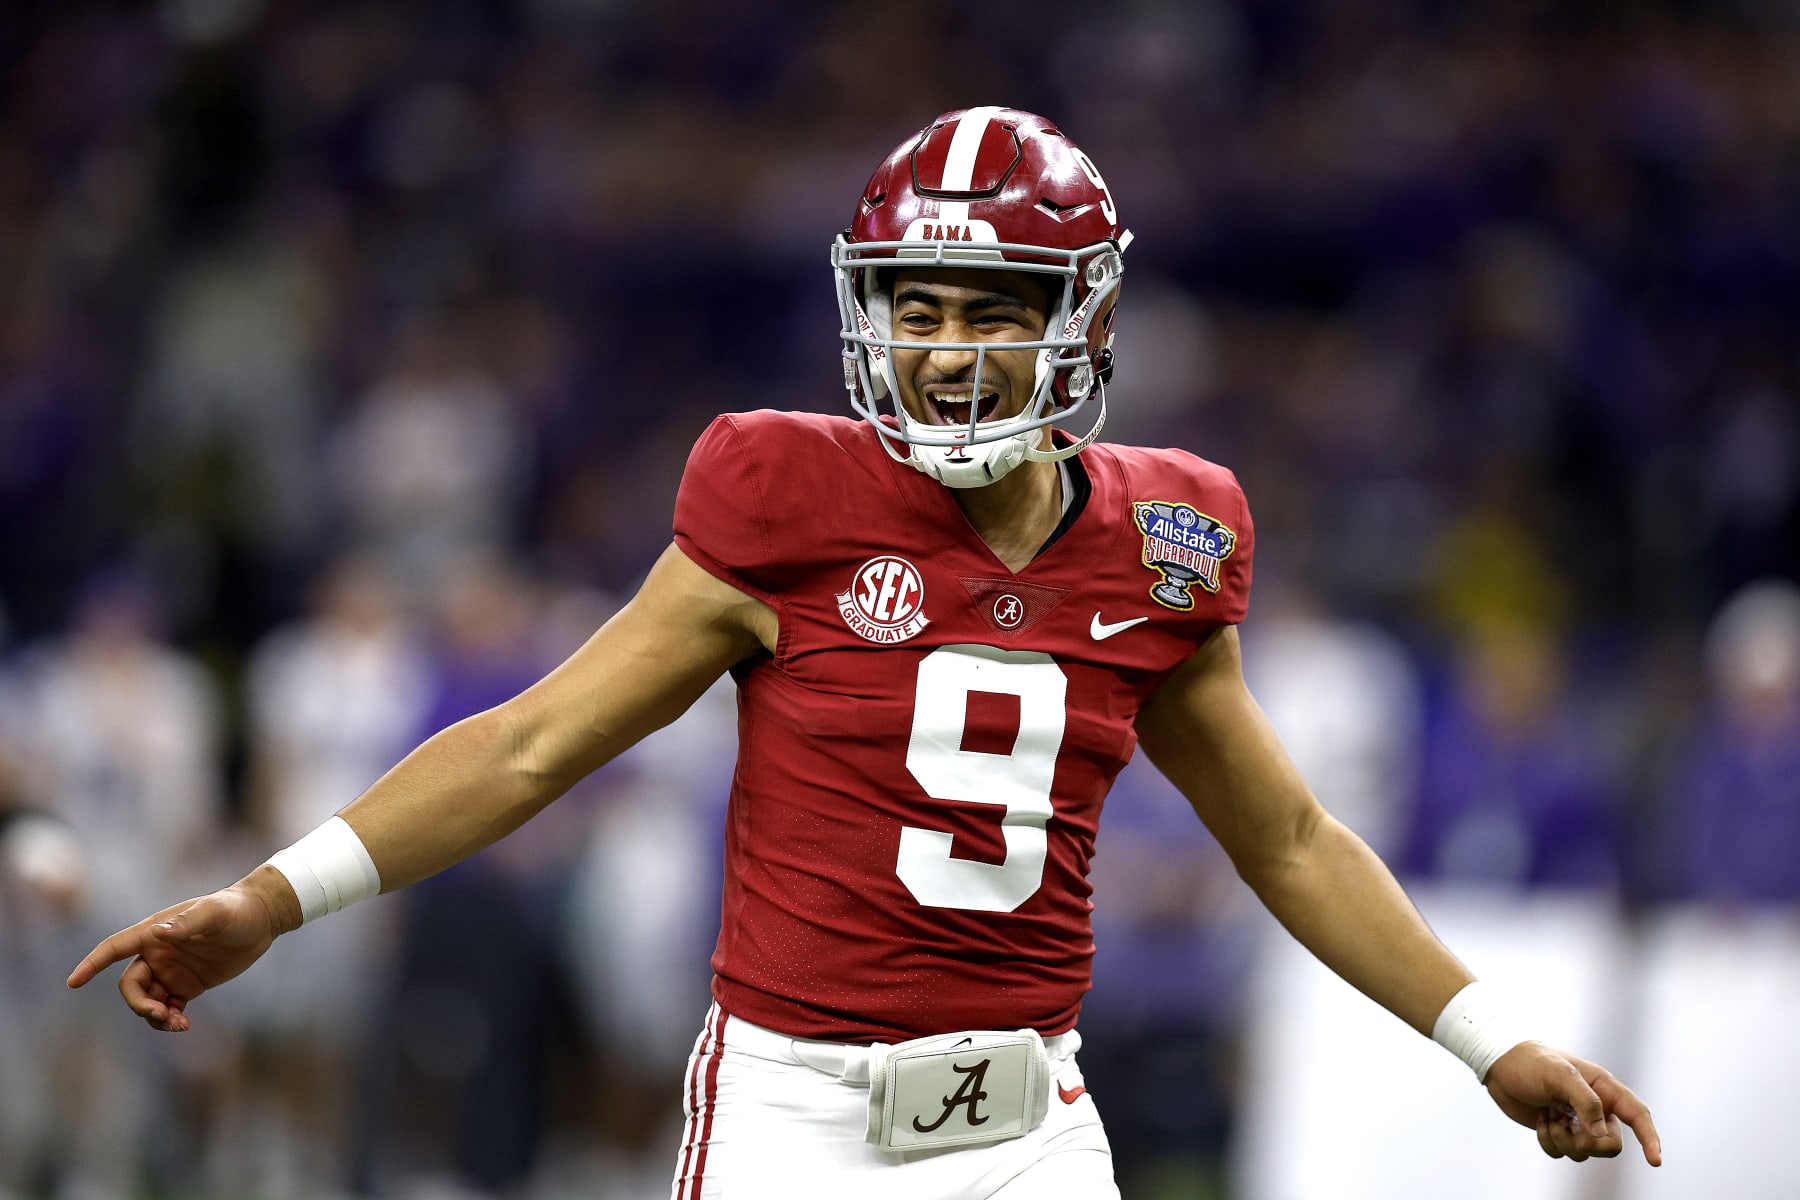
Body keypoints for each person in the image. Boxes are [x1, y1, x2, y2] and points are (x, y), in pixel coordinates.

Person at [70, 107, 1661, 1197]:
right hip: (798, 1120)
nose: (947, 350)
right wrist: (268, 899)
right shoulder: (784, 493)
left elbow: (1291, 840)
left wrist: (1489, 1044)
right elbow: (534, 742)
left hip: (1031, 1122)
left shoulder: (1170, 537)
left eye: (994, 309)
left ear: (1085, 323)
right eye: (919, 307)